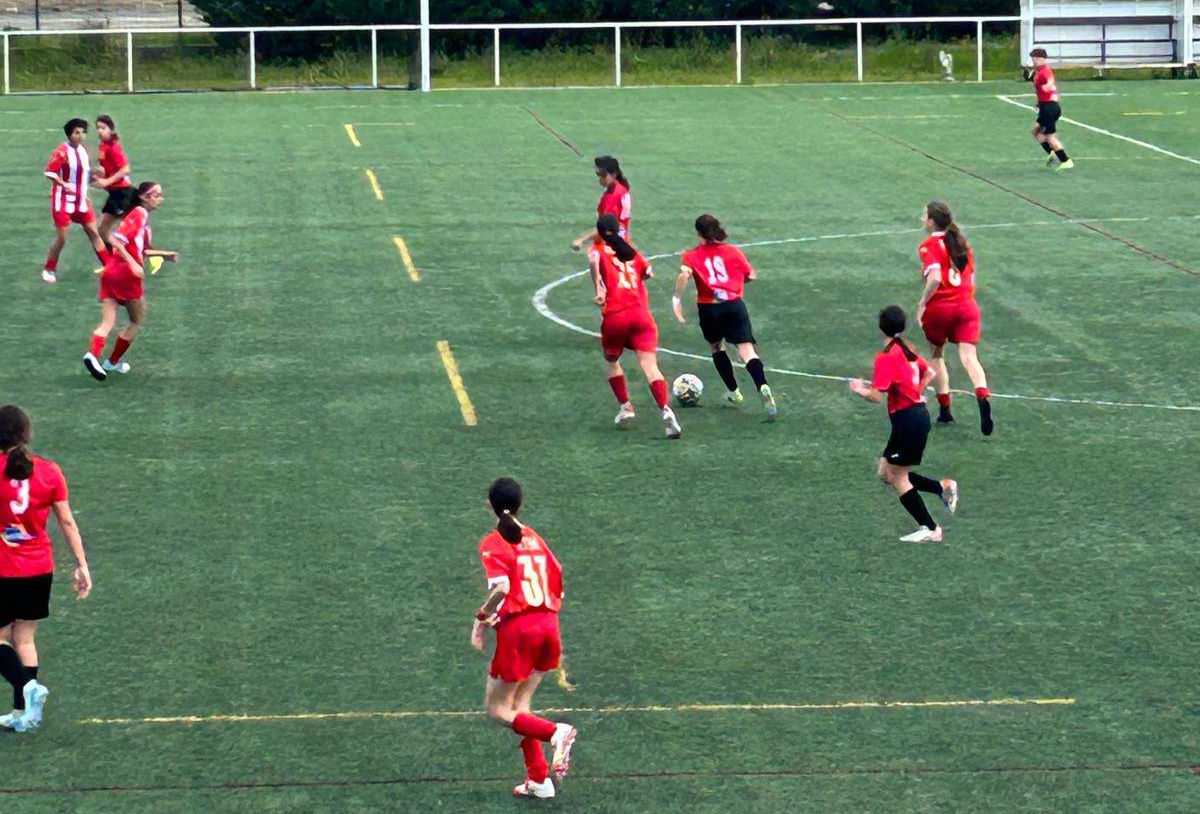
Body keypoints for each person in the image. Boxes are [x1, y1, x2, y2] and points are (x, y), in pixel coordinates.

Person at [472, 477, 577, 800]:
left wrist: (482, 619)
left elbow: (502, 588)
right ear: (521, 504)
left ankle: (555, 732)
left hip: (521, 632)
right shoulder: (534, 537)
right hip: (549, 626)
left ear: (489, 505)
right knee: (520, 707)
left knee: (498, 709)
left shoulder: (493, 542)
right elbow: (558, 574)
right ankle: (539, 780)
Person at [0, 405, 92, 733]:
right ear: (26, 434)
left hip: (3, 569)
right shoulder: (49, 471)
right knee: (24, 638)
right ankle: (24, 714)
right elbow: (66, 521)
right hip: (38, 568)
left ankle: (26, 687)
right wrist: (81, 564)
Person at [848, 306, 958, 543]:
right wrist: (916, 393)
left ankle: (931, 528)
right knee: (886, 472)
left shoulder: (887, 356)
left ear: (881, 326)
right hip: (912, 418)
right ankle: (941, 488)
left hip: (908, 420)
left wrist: (859, 389)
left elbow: (876, 397)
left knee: (898, 477)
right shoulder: (906, 350)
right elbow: (929, 373)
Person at [673, 214, 777, 418]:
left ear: (698, 233)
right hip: (734, 306)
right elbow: (751, 275)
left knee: (716, 347)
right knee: (747, 351)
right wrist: (733, 283)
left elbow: (684, 275)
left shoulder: (691, 255)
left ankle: (734, 392)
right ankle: (762, 386)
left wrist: (676, 299)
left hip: (709, 308)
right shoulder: (733, 251)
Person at [589, 214, 681, 439]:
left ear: (600, 233)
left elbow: (594, 265)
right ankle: (665, 410)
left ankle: (626, 406)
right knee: (650, 365)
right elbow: (648, 273)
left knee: (612, 362)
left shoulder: (597, 251)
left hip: (616, 316)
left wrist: (599, 290)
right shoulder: (632, 253)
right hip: (641, 315)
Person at [83, 181, 179, 381]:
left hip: (111, 271)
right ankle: (112, 362)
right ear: (144, 197)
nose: (161, 199)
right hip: (126, 275)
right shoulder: (139, 214)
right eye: (157, 195)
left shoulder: (141, 218)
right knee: (136, 320)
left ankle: (92, 354)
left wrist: (165, 255)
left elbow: (141, 249)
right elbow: (117, 240)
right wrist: (133, 264)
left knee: (108, 321)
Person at [915, 202, 994, 436]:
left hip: (940, 309)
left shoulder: (928, 246)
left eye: (924, 216)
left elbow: (935, 277)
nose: (922, 219)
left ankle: (945, 409)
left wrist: (922, 303)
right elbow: (972, 277)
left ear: (932, 222)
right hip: (966, 305)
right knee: (970, 356)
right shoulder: (962, 244)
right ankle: (982, 393)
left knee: (937, 355)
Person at [42, 118, 107, 284]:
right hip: (63, 201)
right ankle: (49, 268)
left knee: (94, 234)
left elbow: (84, 175)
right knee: (62, 238)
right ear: (69, 134)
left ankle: (109, 266)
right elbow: (49, 172)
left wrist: (96, 174)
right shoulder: (62, 151)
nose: (81, 135)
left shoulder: (83, 151)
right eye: (77, 132)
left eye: (83, 132)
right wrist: (63, 184)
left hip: (82, 201)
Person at [91, 115, 137, 249]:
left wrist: (106, 182)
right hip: (115, 193)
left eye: (103, 128)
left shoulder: (114, 147)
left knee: (103, 230)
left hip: (122, 193)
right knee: (103, 230)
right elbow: (106, 168)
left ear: (111, 129)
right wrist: (96, 174)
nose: (100, 131)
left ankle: (118, 257)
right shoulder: (103, 146)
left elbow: (125, 169)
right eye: (98, 128)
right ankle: (115, 257)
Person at [570, 155, 631, 251]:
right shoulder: (622, 189)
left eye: (603, 174)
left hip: (611, 247)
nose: (600, 177)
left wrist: (582, 240)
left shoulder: (613, 196)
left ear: (614, 174)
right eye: (598, 173)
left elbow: (606, 228)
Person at [1026, 48, 1073, 171]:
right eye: (1033, 59)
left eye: (1036, 58)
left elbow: (1050, 80)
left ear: (1043, 59)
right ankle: (1052, 153)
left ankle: (1066, 160)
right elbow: (1041, 90)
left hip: (1049, 108)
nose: (1034, 61)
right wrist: (1039, 102)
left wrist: (1047, 86)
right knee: (1035, 131)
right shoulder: (1038, 72)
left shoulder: (1045, 71)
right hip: (1045, 107)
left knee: (1049, 136)